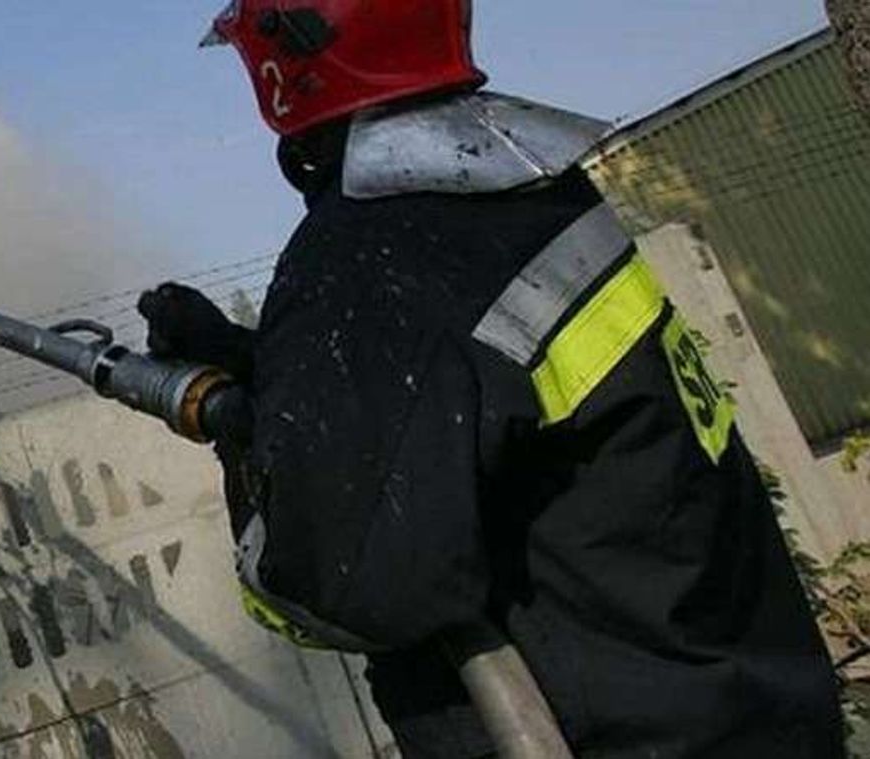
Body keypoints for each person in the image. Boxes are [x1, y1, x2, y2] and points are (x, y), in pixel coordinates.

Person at [137, 2, 845, 756]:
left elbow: (330, 587)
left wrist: (242, 436)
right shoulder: (526, 192)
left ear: (286, 61)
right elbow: (467, 390)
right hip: (755, 715)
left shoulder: (374, 251)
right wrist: (273, 369)